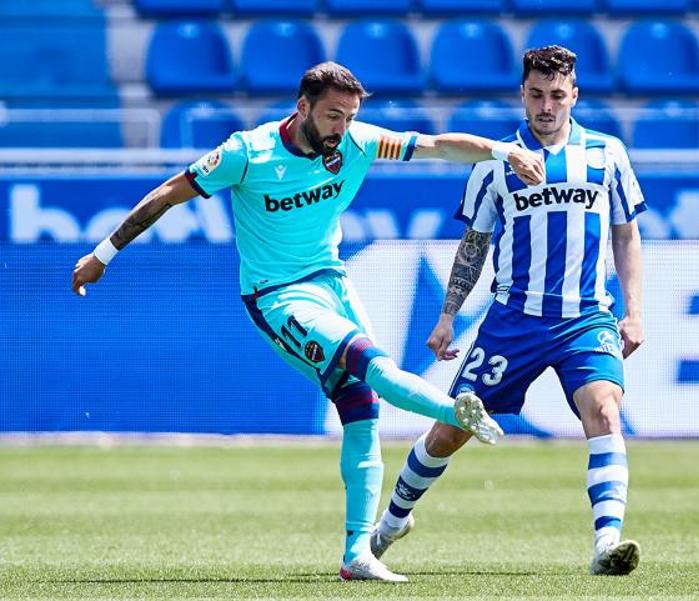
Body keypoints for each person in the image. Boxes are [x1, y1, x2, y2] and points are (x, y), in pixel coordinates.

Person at [71, 61, 546, 583]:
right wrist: (103, 254)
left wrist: (505, 151)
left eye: (349, 116)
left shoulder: (360, 143)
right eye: (332, 115)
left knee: (362, 409)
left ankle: (356, 555)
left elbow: (435, 145)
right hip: (277, 299)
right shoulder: (245, 154)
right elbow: (166, 195)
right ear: (303, 108)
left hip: (333, 284)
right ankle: (459, 413)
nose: (341, 128)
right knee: (375, 369)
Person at [370, 46, 647, 576]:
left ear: (575, 96)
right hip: (513, 321)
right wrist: (448, 314)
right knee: (452, 428)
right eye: (537, 95)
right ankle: (391, 522)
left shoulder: (607, 154)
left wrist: (634, 312)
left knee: (605, 408)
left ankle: (607, 543)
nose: (547, 106)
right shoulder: (495, 163)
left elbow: (626, 234)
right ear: (522, 94)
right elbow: (473, 244)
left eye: (557, 96)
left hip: (585, 317)